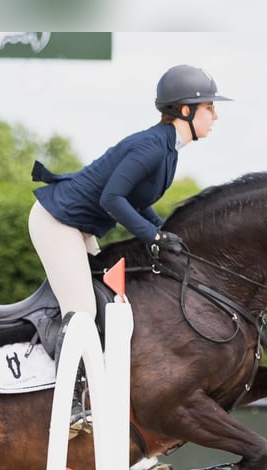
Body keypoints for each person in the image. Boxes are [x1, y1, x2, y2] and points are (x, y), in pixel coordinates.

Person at [28, 64, 232, 433]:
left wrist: (163, 231)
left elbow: (136, 202)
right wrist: (151, 238)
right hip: (56, 222)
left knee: (108, 302)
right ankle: (71, 403)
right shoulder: (152, 147)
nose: (215, 116)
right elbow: (113, 199)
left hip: (79, 227)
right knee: (84, 308)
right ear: (185, 110)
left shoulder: (168, 149)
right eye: (209, 108)